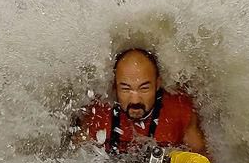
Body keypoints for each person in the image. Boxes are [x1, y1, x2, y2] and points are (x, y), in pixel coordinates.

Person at [76, 48, 207, 155]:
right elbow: (75, 160)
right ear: (115, 87)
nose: (135, 100)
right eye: (126, 89)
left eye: (144, 88)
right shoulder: (97, 114)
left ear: (157, 85)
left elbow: (203, 161)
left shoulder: (180, 112)